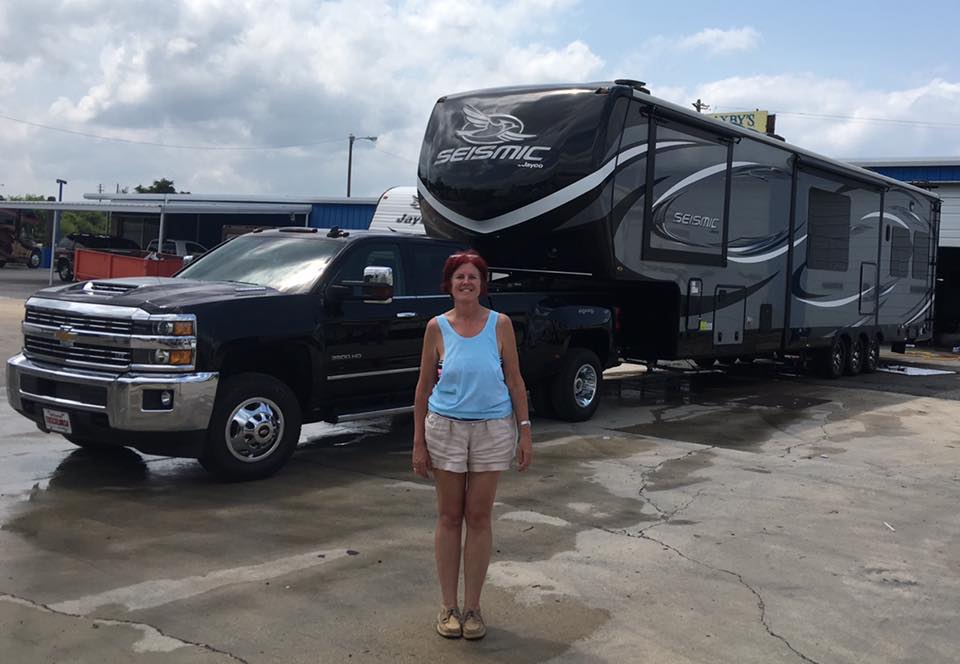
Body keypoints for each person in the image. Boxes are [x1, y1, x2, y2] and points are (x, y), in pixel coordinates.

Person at [412, 250, 533, 640]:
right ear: (449, 284)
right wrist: (418, 441)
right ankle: (448, 606)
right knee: (449, 516)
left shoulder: (500, 325)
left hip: (492, 430)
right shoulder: (436, 327)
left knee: (479, 517)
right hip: (445, 429)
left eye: (474, 277)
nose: (466, 282)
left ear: (483, 285)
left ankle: (474, 608)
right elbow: (423, 387)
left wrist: (524, 430)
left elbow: (515, 380)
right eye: (459, 277)